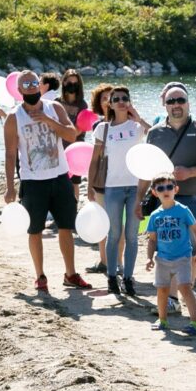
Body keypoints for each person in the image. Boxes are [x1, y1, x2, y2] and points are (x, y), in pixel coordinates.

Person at [3, 70, 92, 292]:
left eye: (35, 82)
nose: (32, 86)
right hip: (33, 181)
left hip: (61, 177)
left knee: (66, 226)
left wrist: (48, 120)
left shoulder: (55, 108)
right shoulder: (14, 117)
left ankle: (70, 274)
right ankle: (40, 276)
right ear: (20, 89)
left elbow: (72, 136)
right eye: (26, 84)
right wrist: (10, 187)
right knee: (35, 230)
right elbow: (10, 154)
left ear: (40, 85)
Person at [137, 82, 196, 312]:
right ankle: (172, 299)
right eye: (171, 101)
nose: (176, 105)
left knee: (191, 249)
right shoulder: (155, 133)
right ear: (164, 105)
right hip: (164, 200)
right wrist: (138, 199)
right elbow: (145, 168)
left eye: (180, 100)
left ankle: (185, 291)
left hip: (194, 197)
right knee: (167, 248)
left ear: (188, 103)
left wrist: (190, 172)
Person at [87, 85, 151, 296]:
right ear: (110, 104)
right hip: (112, 187)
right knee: (114, 234)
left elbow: (156, 137)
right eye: (117, 99)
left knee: (132, 236)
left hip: (135, 188)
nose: (122, 101)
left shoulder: (137, 127)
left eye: (125, 98)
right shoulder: (103, 129)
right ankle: (112, 277)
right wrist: (89, 187)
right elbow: (95, 160)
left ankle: (129, 278)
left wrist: (139, 118)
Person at [145, 172, 196, 336]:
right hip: (162, 259)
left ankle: (195, 323)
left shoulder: (183, 210)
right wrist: (149, 258)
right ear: (154, 192)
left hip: (183, 257)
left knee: (185, 287)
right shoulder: (155, 215)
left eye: (169, 187)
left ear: (176, 189)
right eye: (161, 188)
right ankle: (162, 320)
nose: (166, 190)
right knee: (162, 290)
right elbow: (152, 240)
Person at [85, 84, 114, 274]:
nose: (110, 102)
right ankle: (104, 260)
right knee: (102, 221)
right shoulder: (98, 127)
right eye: (105, 99)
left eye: (113, 97)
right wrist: (90, 184)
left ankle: (116, 262)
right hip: (104, 180)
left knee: (119, 225)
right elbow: (95, 157)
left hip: (124, 180)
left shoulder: (130, 124)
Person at [57, 70, 89, 201]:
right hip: (58, 146)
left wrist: (64, 131)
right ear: (64, 82)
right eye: (69, 82)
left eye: (75, 83)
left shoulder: (82, 104)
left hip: (76, 149)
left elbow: (79, 129)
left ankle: (74, 208)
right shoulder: (56, 102)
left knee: (74, 181)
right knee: (58, 179)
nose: (72, 85)